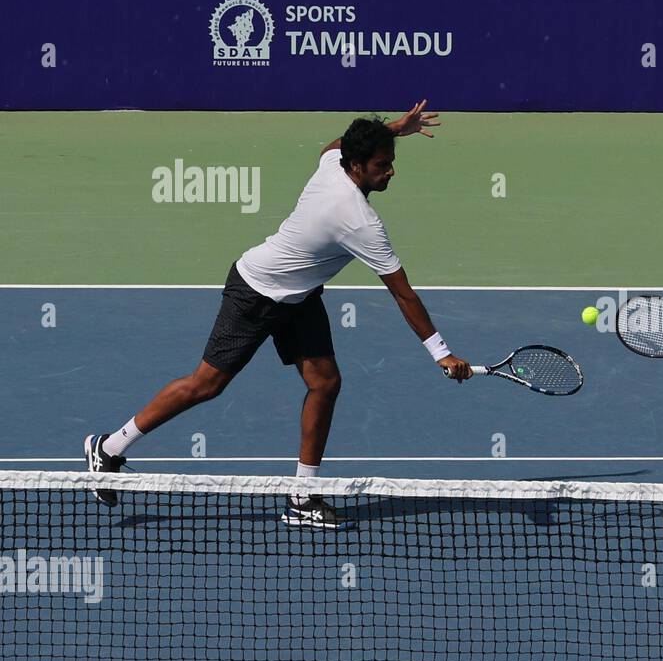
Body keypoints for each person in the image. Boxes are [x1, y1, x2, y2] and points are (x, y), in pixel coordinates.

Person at [84, 100, 471, 529]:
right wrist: (442, 353)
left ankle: (303, 497)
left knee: (325, 383)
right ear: (357, 166)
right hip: (255, 292)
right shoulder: (359, 221)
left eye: (391, 162)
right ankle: (110, 447)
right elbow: (403, 295)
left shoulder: (334, 164)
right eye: (382, 164)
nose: (391, 171)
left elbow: (333, 145)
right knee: (205, 385)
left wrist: (394, 129)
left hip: (299, 298)